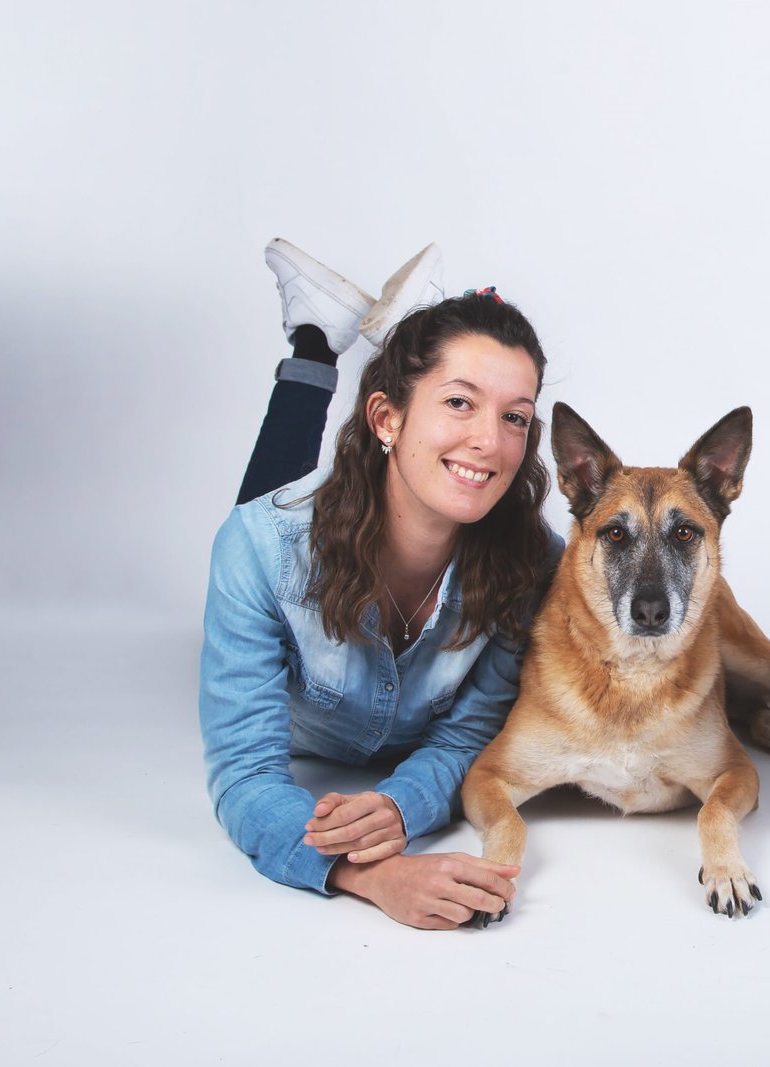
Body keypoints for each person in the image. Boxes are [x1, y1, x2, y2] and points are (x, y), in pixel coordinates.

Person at [201, 239, 561, 929]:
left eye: (515, 416)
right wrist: (372, 872)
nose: (492, 440)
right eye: (460, 401)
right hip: (303, 527)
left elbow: (474, 734)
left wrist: (401, 803)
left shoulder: (533, 561)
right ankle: (315, 344)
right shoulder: (256, 550)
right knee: (267, 514)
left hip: (380, 481)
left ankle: (332, 331)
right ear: (386, 417)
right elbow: (245, 775)